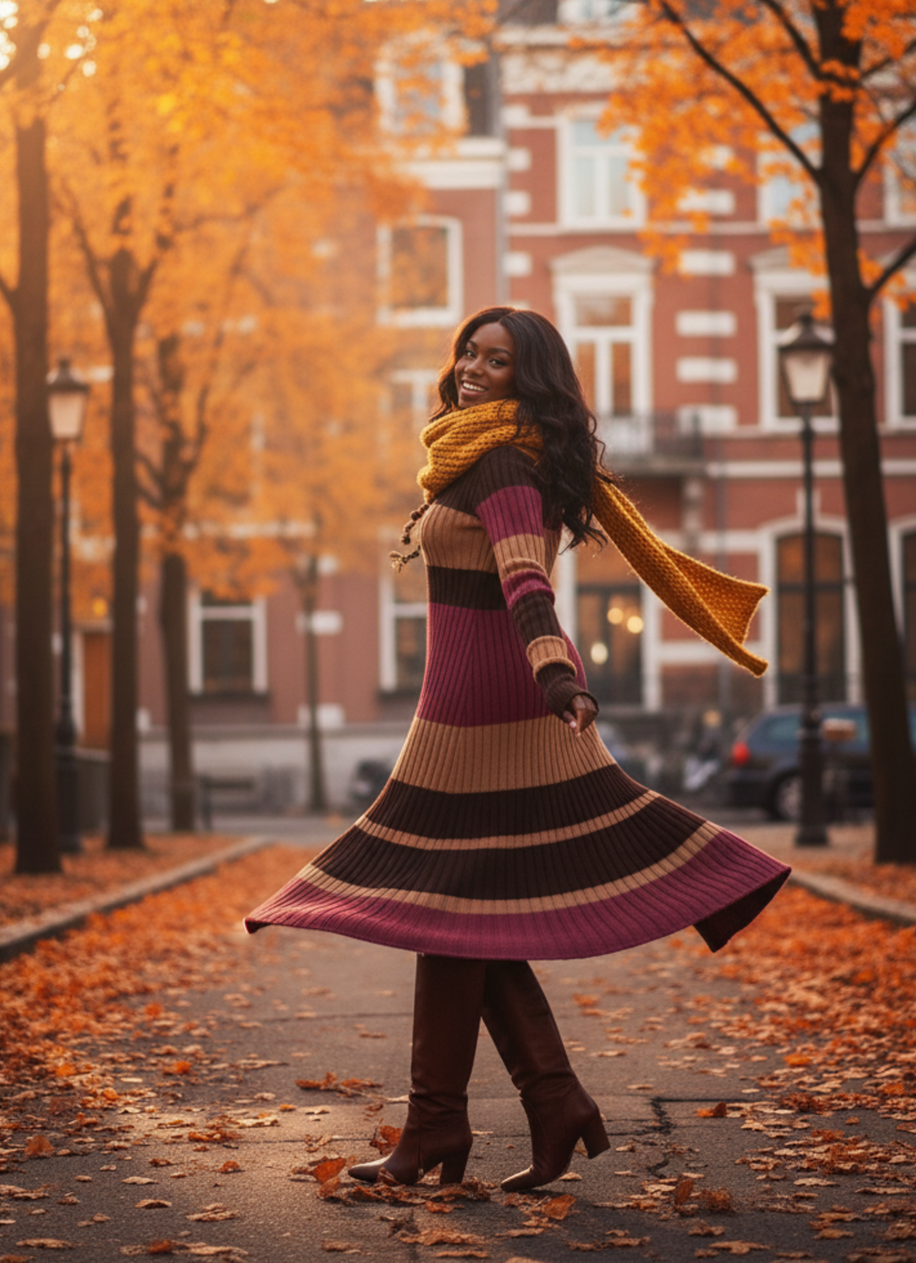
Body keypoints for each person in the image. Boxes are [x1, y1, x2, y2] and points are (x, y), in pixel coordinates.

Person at [245, 306, 790, 1192]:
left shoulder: (503, 463)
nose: (472, 366)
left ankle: (445, 1121)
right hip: (462, 699)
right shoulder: (469, 454)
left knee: (443, 898)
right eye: (469, 351)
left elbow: (525, 577)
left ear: (526, 379)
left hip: (496, 702)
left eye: (495, 360)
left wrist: (556, 676)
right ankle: (545, 1101)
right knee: (461, 906)